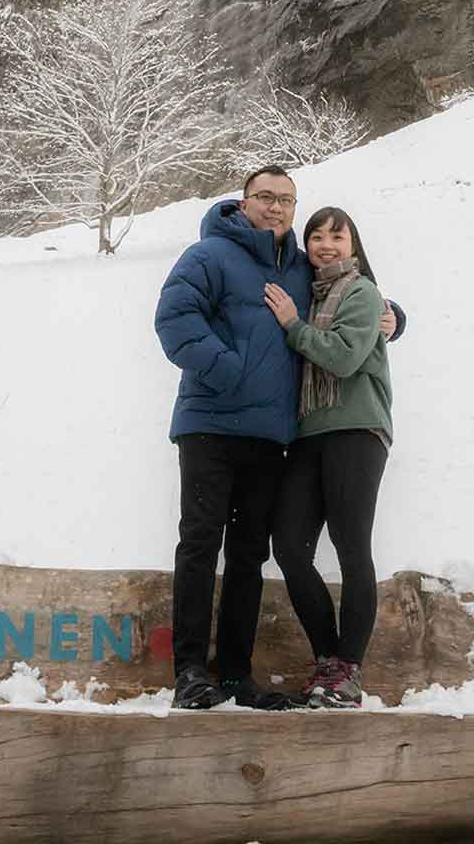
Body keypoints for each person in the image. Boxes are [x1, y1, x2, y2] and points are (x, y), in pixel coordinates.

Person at [154, 167, 404, 711]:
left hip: (270, 438)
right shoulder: (208, 256)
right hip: (211, 425)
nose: (276, 208)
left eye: (286, 200)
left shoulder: (297, 264)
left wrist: (394, 315)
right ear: (243, 202)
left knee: (248, 555)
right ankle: (192, 673)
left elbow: (344, 296)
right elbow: (174, 317)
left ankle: (238, 676)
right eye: (265, 197)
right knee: (200, 544)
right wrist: (226, 371)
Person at [263, 206, 392, 708]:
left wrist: (294, 327)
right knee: (291, 547)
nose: (325, 245)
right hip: (308, 433)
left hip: (357, 429)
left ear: (353, 246)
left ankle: (348, 671)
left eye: (337, 237)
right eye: (316, 236)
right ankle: (327, 660)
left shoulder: (361, 292)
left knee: (350, 545)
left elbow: (342, 357)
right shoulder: (308, 291)